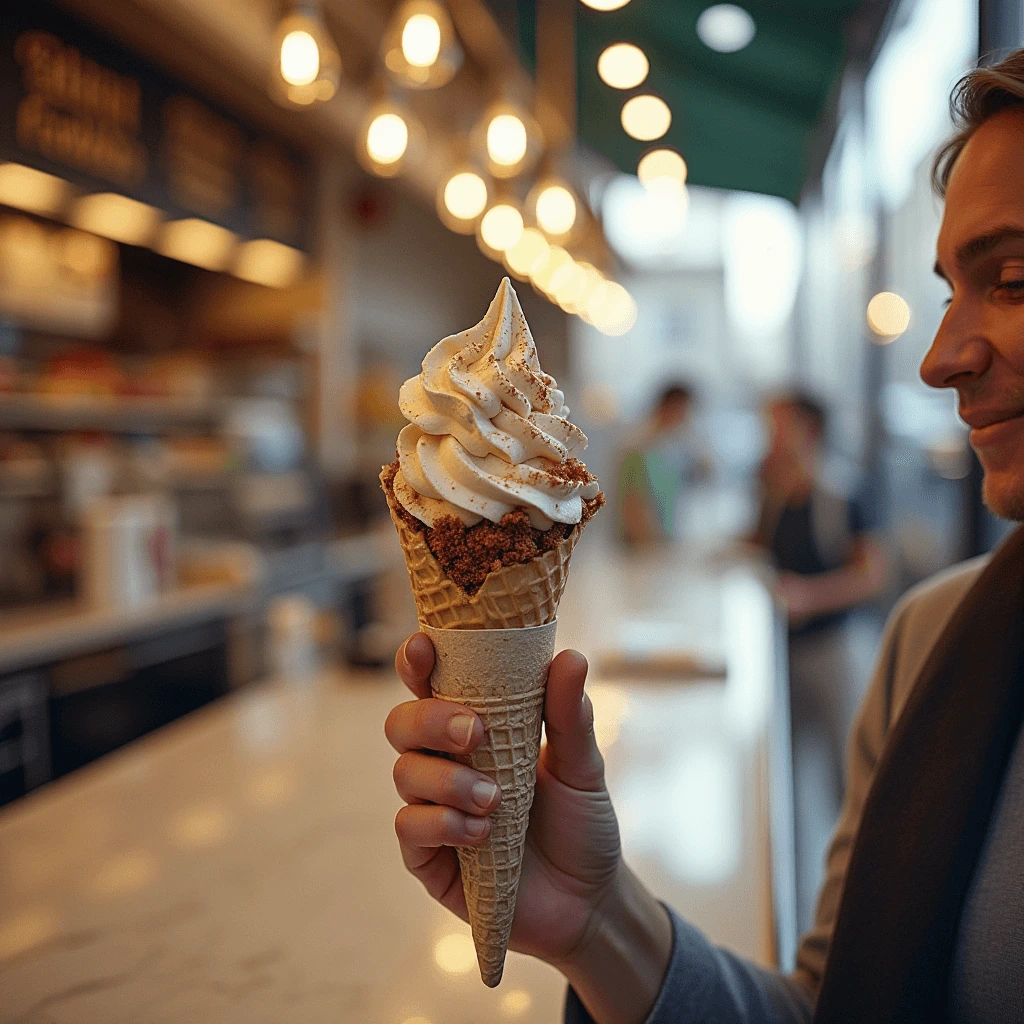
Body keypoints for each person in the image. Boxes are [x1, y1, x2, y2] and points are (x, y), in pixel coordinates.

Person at [384, 51, 1024, 1023]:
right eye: (945, 293)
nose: (939, 359)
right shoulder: (929, 646)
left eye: (1012, 280)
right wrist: (595, 917)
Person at [750, 393, 888, 932]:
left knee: (846, 777)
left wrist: (807, 596)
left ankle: (859, 907)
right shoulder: (775, 492)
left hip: (834, 653)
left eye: (777, 421)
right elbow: (764, 549)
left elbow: (872, 575)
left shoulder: (843, 491)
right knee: (788, 777)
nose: (770, 432)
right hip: (784, 656)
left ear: (807, 427)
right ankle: (803, 907)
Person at [615, 382, 701, 545]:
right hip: (640, 546)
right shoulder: (636, 447)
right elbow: (632, 504)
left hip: (665, 541)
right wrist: (647, 543)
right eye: (683, 411)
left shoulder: (674, 448)